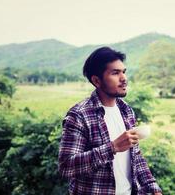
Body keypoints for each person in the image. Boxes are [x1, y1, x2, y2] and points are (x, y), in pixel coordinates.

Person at [58, 47, 162, 195]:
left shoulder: (127, 111)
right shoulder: (79, 115)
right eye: (115, 73)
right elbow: (66, 166)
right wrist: (112, 148)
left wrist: (153, 188)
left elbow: (136, 157)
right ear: (96, 80)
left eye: (123, 72)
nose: (124, 78)